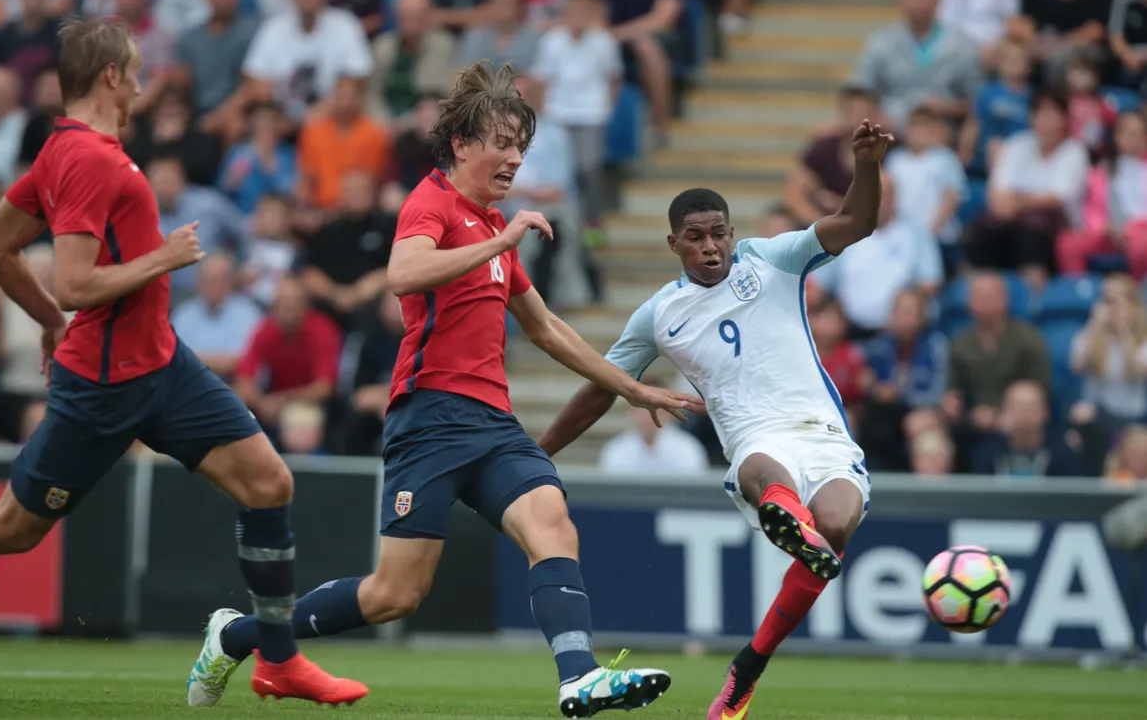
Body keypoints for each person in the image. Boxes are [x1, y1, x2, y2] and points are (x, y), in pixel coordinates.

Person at [0, 16, 367, 708]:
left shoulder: (61, 150)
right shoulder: (90, 160)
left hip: (161, 361)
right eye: (133, 69)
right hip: (104, 386)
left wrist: (45, 323)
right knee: (14, 528)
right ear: (109, 75)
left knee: (268, 482)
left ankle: (277, 659)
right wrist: (157, 260)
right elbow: (72, 282)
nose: (141, 83)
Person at [200, 61, 699, 718]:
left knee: (552, 524)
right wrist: (507, 235)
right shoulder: (430, 202)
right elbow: (403, 274)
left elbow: (546, 328)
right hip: (428, 417)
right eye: (501, 142)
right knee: (393, 596)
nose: (514, 157)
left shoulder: (495, 226)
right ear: (462, 144)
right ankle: (235, 635)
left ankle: (577, 677)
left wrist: (630, 388)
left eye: (520, 145)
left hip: (492, 421)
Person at [537, 120, 893, 720]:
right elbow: (602, 387)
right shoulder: (660, 315)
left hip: (824, 434)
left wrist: (867, 164)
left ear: (733, 232)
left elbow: (855, 223)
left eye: (719, 234)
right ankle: (785, 512)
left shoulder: (774, 257)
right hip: (756, 439)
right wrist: (537, 453)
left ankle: (747, 668)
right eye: (696, 238)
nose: (711, 247)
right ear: (673, 244)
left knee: (834, 526)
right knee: (760, 468)